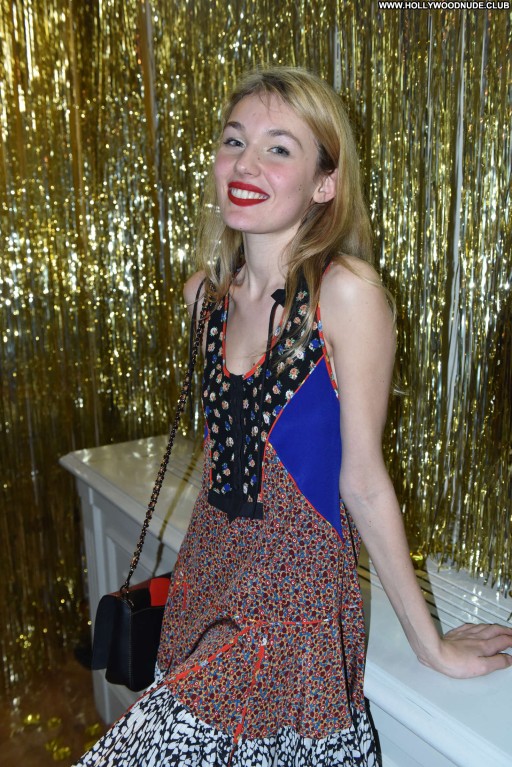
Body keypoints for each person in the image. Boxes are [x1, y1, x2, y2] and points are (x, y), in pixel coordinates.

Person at [75, 66, 512, 767]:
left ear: (324, 184)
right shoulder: (203, 298)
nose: (246, 163)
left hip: (292, 615)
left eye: (278, 148)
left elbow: (363, 481)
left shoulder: (347, 295)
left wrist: (431, 645)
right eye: (234, 141)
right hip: (202, 587)